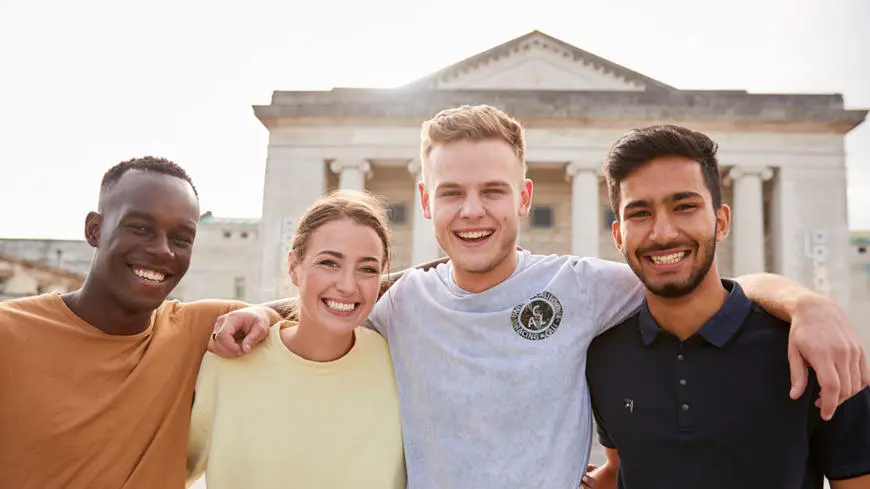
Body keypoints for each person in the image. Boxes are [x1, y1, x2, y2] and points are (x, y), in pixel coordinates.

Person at [211, 105, 869, 489]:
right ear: (424, 199)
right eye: (452, 193)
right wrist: (262, 310)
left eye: (494, 190)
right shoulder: (401, 301)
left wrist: (809, 302)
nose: (473, 212)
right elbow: (340, 296)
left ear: (524, 197)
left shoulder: (586, 288)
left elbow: (699, 284)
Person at [585, 124, 870, 489]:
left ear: (721, 222)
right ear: (618, 235)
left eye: (684, 206)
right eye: (640, 213)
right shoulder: (605, 356)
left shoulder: (814, 349)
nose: (663, 232)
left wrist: (809, 304)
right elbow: (620, 470)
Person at [0, 157, 280, 489]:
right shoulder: (10, 333)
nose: (162, 250)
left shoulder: (199, 328)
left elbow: (317, 315)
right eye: (141, 228)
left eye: (181, 238)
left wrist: (264, 313)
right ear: (95, 229)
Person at [186, 190, 406, 489]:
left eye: (367, 269)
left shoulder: (397, 364)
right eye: (329, 263)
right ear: (293, 266)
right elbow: (168, 472)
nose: (347, 285)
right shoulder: (228, 363)